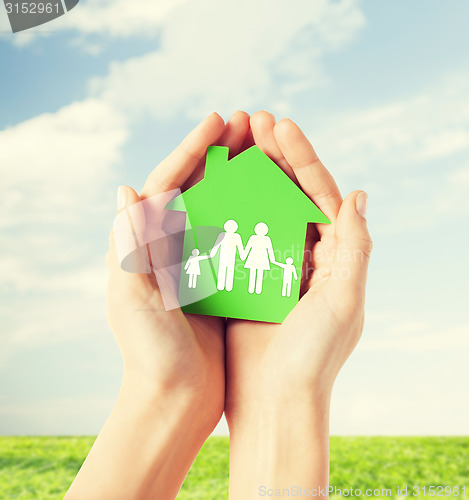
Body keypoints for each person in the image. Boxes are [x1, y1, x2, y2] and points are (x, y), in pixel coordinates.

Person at [64, 110, 372, 500]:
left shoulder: (251, 238)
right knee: (228, 273)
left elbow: (246, 247)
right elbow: (233, 247)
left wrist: (170, 391)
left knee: (249, 278)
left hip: (255, 270)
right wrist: (166, 386)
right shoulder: (229, 237)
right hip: (221, 268)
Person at [209, 219, 244, 292]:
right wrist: (212, 254)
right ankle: (220, 286)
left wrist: (242, 256)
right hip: (223, 257)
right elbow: (216, 246)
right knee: (222, 271)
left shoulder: (237, 236)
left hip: (231, 258)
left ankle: (228, 287)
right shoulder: (222, 235)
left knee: (229, 272)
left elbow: (240, 247)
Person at [242, 222, 275, 294]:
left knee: (260, 274)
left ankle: (258, 290)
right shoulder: (253, 238)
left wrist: (272, 260)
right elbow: (248, 247)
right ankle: (251, 289)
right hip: (253, 257)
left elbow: (270, 249)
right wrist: (244, 256)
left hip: (262, 259)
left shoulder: (267, 239)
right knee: (252, 273)